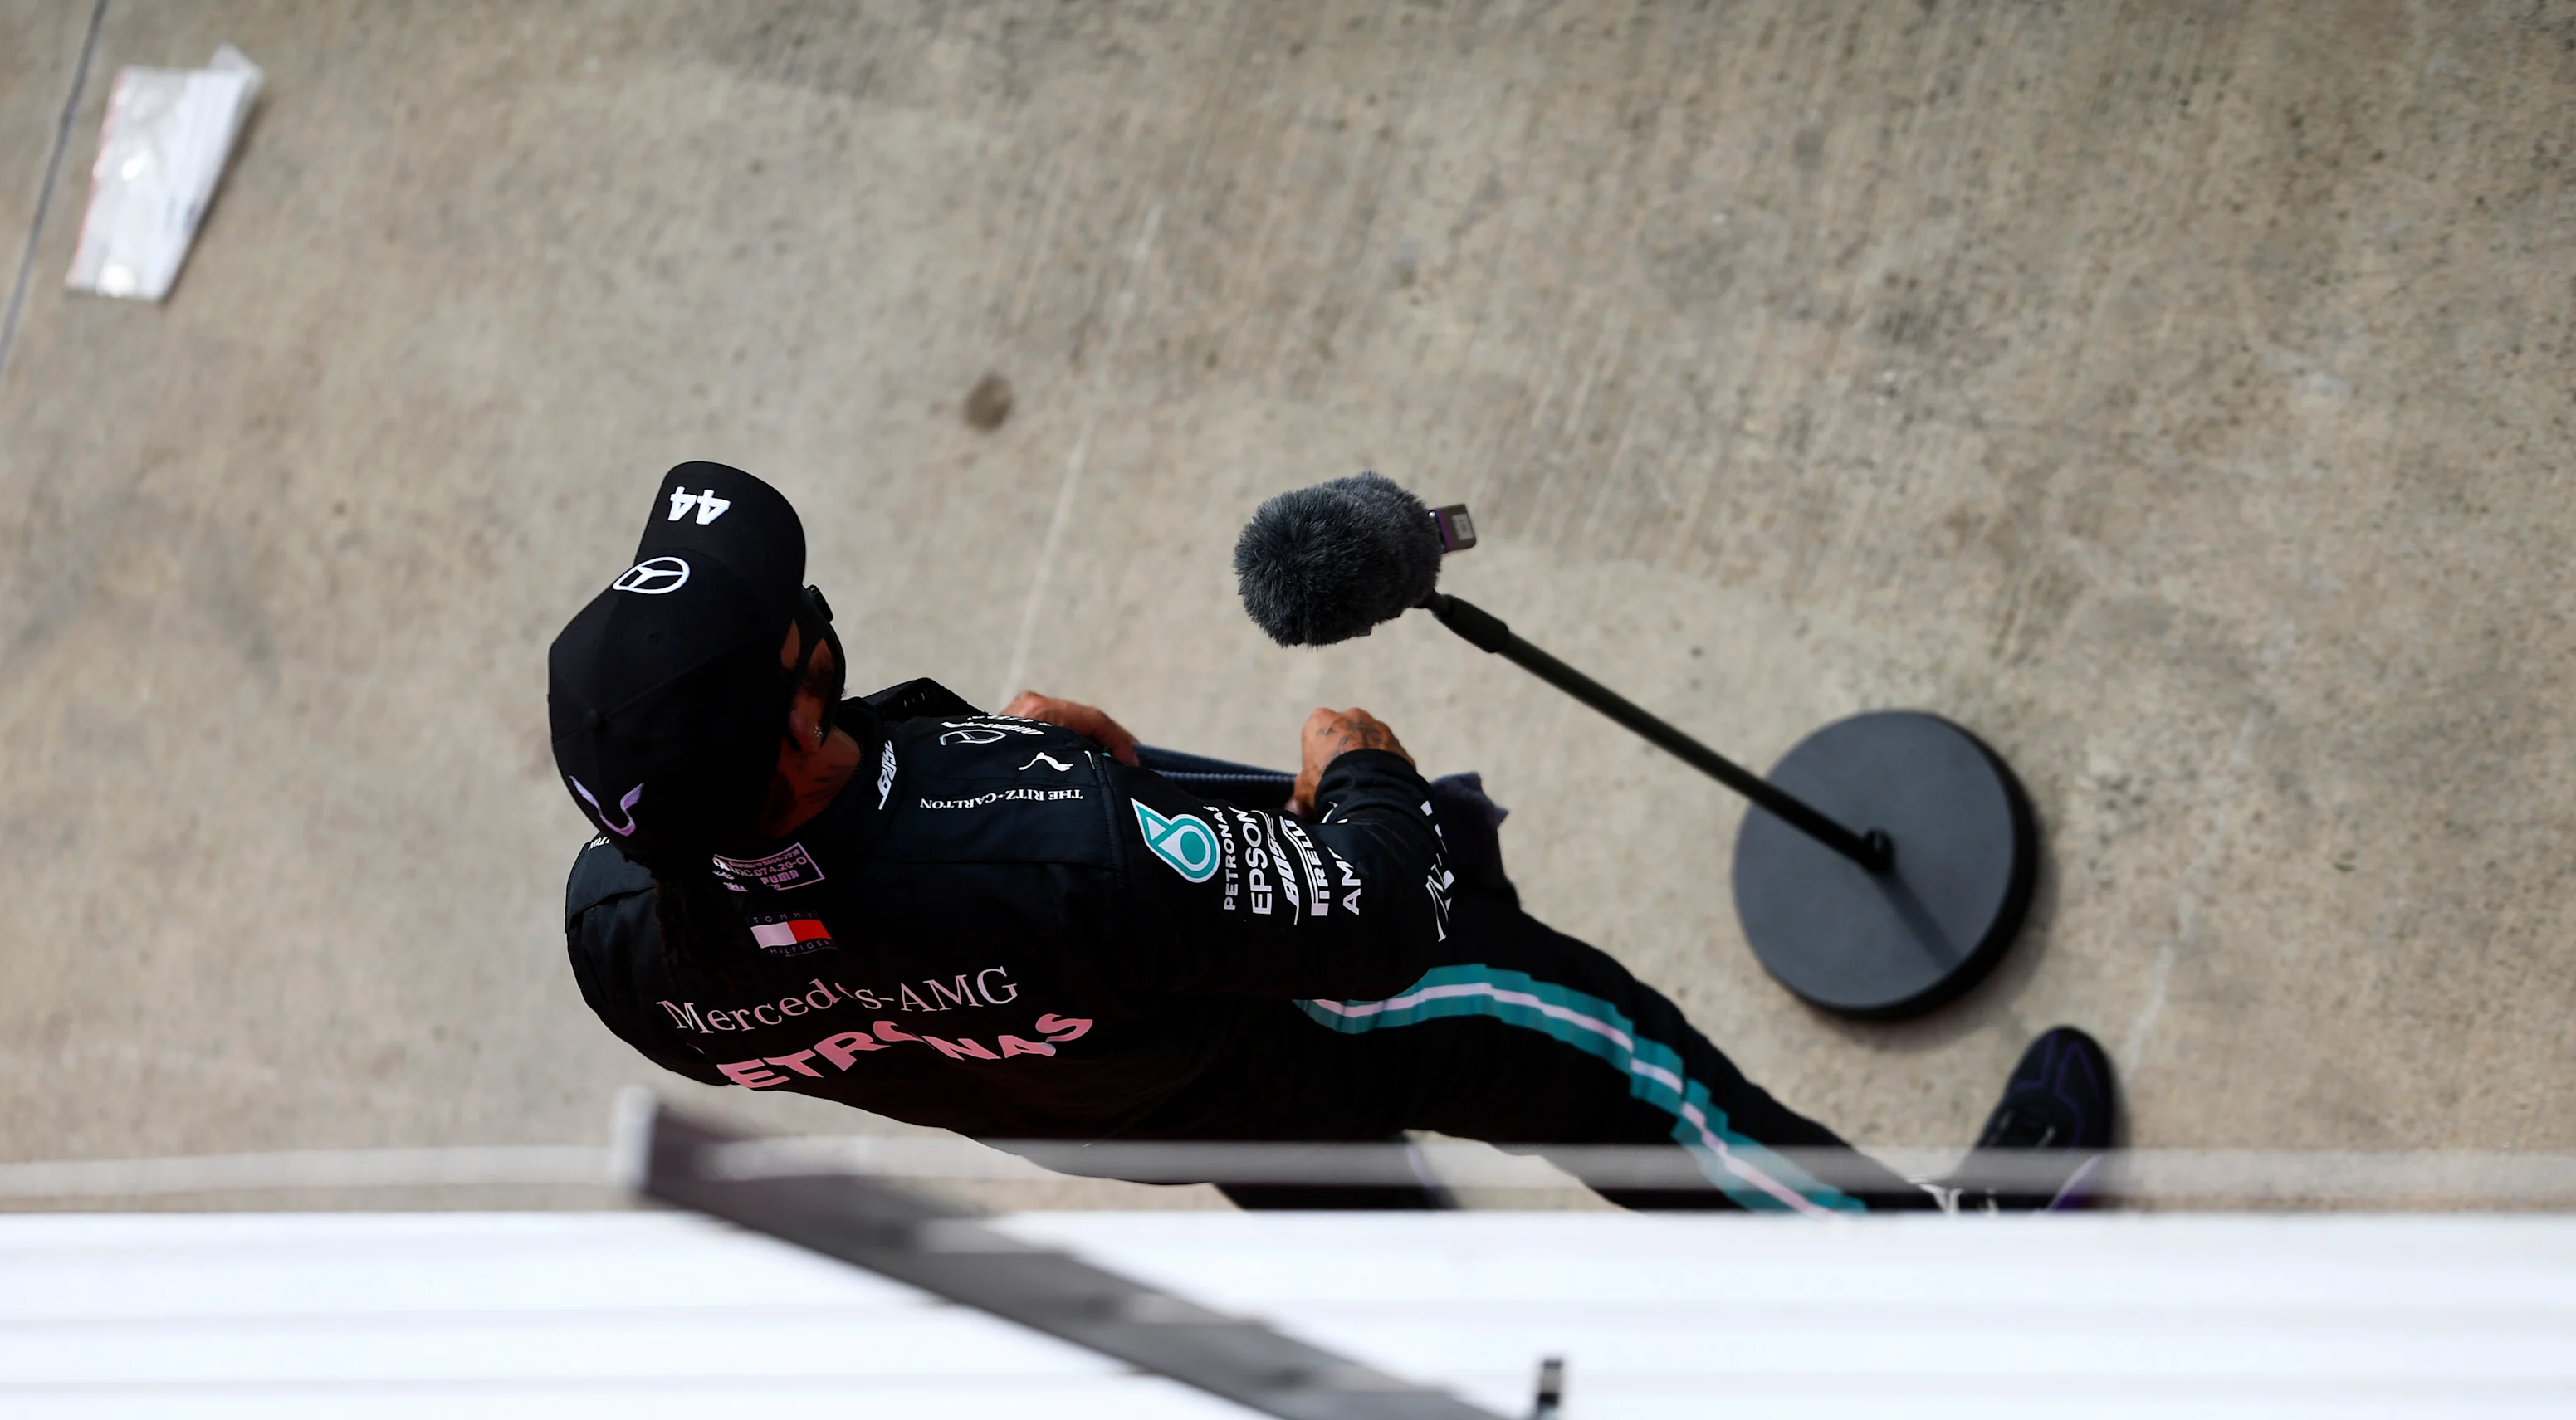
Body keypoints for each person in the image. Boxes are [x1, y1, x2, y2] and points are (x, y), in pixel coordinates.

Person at [553, 461, 2117, 1213]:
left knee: (1368, 1232)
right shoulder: (1051, 859)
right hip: (1298, 1012)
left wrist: (981, 761)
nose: (813, 619)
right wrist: (1357, 762)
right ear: (792, 723)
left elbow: (853, 913)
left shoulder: (625, 942)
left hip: (1139, 1115)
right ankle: (1948, 1301)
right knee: (1634, 1078)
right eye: (791, 631)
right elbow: (1377, 916)